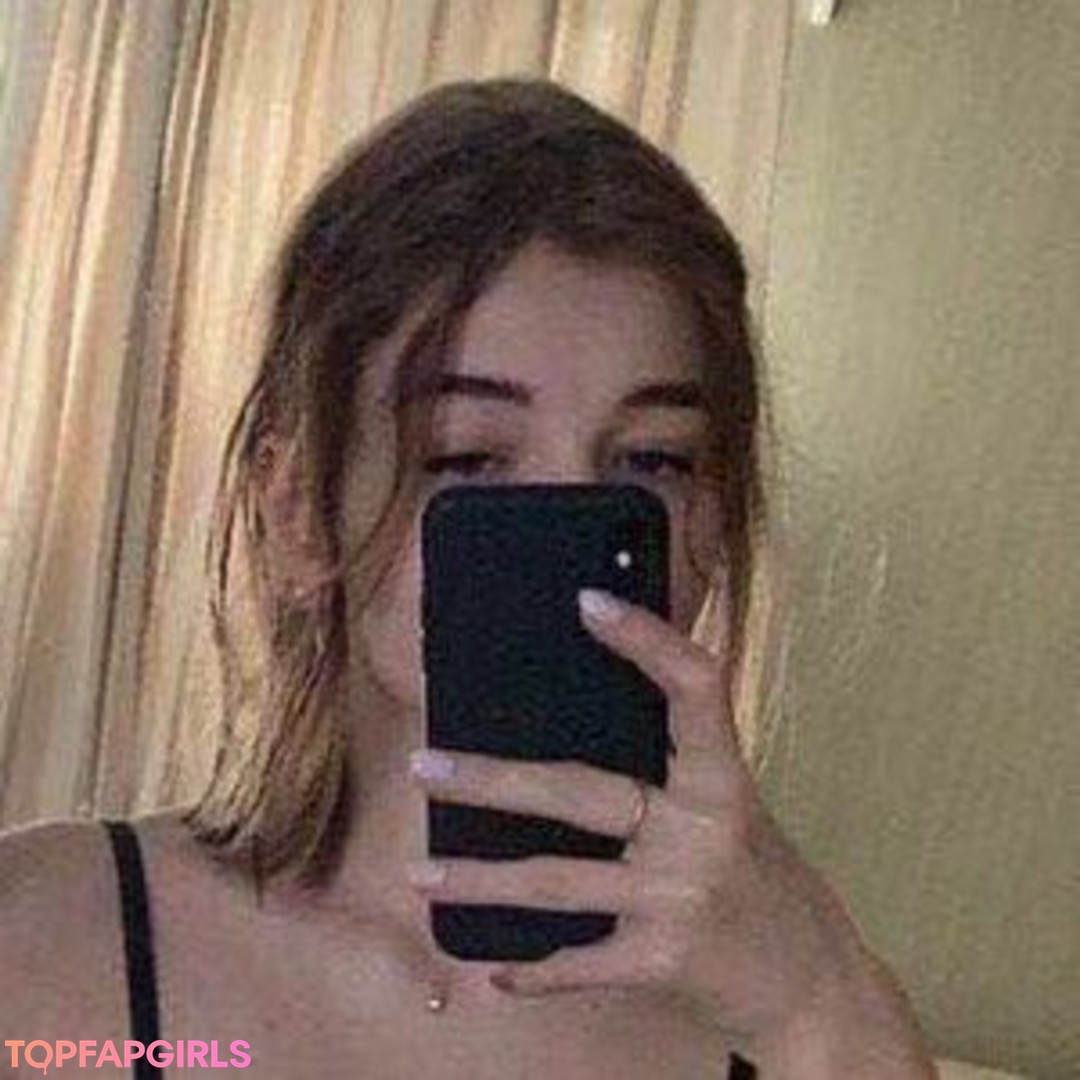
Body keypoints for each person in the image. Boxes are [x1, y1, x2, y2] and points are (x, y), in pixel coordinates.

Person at [0, 77, 936, 1078]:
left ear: (709, 526)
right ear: (298, 508)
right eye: (469, 459)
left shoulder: (784, 1013)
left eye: (651, 462)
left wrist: (818, 1005)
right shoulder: (44, 940)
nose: (560, 525)